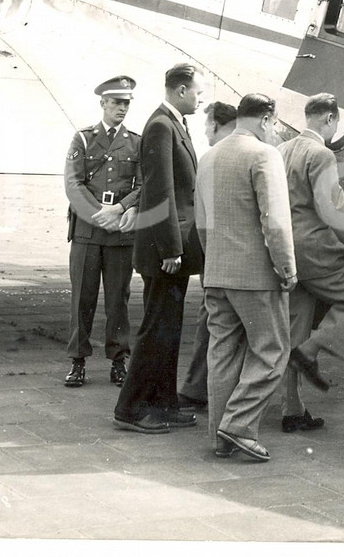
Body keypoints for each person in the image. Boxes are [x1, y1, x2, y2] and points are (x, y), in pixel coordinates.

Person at [195, 93, 297, 462]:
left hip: (217, 273)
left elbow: (201, 224)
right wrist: (287, 268)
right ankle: (237, 426)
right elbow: (275, 221)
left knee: (221, 353)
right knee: (271, 352)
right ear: (267, 120)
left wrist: (216, 263)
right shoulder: (264, 155)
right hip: (256, 276)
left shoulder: (209, 157)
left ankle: (219, 438)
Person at [112, 63, 204, 433]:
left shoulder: (174, 124)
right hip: (165, 252)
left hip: (175, 250)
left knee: (169, 329)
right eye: (198, 91)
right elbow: (160, 192)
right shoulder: (161, 126)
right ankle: (130, 409)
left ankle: (164, 404)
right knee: (156, 330)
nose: (201, 98)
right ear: (181, 91)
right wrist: (170, 248)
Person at [277, 94, 344, 432]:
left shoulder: (284, 149)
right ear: (330, 119)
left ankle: (293, 410)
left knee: (295, 329)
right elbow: (334, 209)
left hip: (288, 253)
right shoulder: (321, 154)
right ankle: (310, 351)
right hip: (316, 252)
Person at [62, 76, 142, 388]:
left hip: (120, 231)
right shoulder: (82, 139)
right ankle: (77, 360)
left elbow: (144, 183)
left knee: (118, 300)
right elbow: (73, 184)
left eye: (126, 103)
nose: (121, 108)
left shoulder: (136, 142)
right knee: (82, 296)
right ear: (103, 104)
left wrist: (121, 208)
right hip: (87, 231)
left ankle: (118, 361)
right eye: (116, 103)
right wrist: (100, 215)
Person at [178, 101, 238, 412]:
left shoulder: (212, 158)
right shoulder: (256, 152)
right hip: (237, 260)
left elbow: (203, 221)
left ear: (216, 125)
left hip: (216, 257)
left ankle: (198, 389)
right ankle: (200, 389)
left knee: (214, 323)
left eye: (206, 126)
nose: (205, 132)